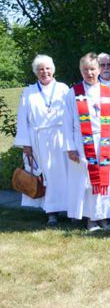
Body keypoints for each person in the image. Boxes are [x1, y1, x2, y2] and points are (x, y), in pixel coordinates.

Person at [63, 52, 110, 232]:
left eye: (92, 69)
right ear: (81, 71)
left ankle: (105, 217)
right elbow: (67, 122)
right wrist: (70, 147)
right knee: (87, 182)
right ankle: (91, 219)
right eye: (85, 70)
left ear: (99, 69)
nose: (89, 73)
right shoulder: (73, 93)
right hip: (82, 144)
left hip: (106, 141)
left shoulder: (109, 92)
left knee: (107, 180)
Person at [14, 54, 70, 225]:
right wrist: (26, 145)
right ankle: (51, 211)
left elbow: (70, 116)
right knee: (46, 176)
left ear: (52, 70)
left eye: (47, 68)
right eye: (40, 69)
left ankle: (70, 209)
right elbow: (22, 119)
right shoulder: (29, 92)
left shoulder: (63, 88)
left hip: (60, 138)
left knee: (65, 175)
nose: (44, 72)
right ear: (35, 72)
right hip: (39, 140)